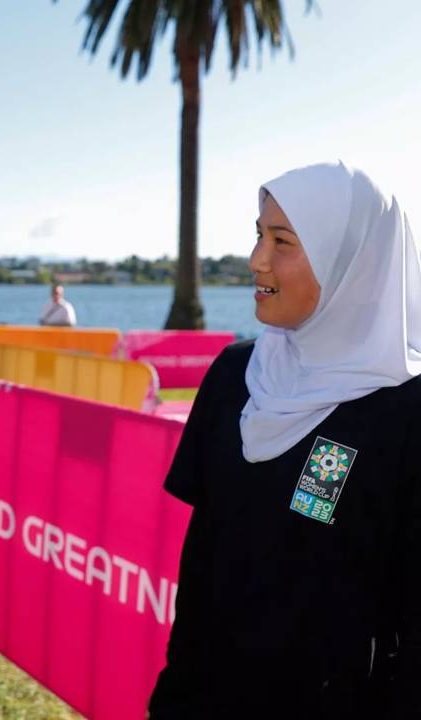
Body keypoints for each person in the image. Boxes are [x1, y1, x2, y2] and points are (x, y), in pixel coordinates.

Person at [148, 161, 421, 719]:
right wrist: (173, 694)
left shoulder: (406, 412)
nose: (256, 260)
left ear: (353, 265)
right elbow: (203, 560)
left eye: (282, 241)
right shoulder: (234, 376)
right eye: (258, 234)